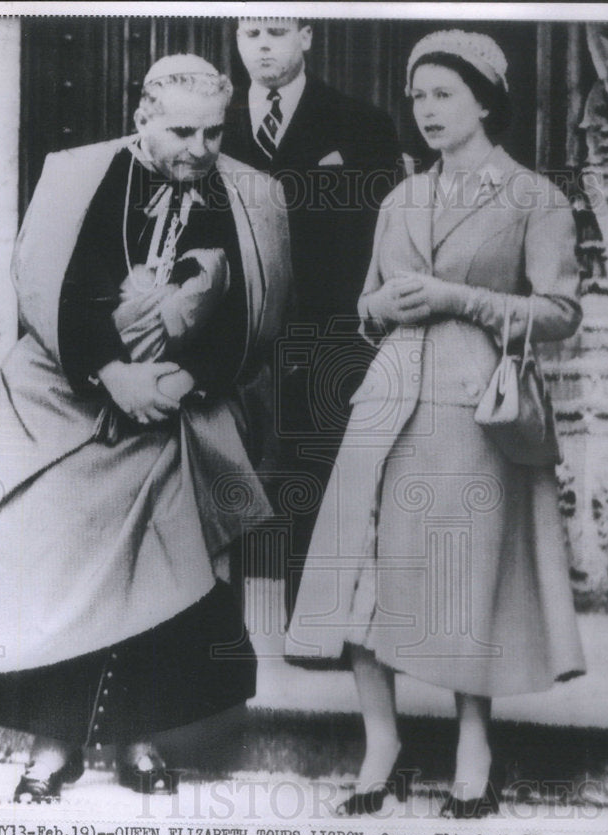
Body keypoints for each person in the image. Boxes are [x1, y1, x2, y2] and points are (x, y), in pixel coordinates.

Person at [0, 54, 292, 803]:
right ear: (142, 117)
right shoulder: (77, 174)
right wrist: (109, 373)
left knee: (157, 570)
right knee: (51, 557)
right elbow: (46, 289)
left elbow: (257, 316)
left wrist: (188, 379)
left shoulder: (248, 193)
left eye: (214, 133)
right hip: (69, 400)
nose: (199, 149)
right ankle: (52, 747)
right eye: (182, 131)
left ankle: (136, 740)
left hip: (174, 410)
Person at [286, 31, 586, 818]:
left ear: (485, 100)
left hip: (468, 405)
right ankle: (380, 743)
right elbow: (368, 303)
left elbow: (559, 312)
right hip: (386, 402)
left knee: (462, 576)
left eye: (443, 94)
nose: (425, 110)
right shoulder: (399, 197)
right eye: (416, 97)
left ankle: (471, 748)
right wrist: (372, 309)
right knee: (360, 571)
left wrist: (463, 301)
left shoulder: (532, 197)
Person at [222, 18, 400, 615]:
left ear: (306, 34)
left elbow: (386, 234)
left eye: (276, 30)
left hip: (329, 332)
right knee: (222, 463)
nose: (263, 45)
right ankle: (222, 632)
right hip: (230, 328)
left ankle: (311, 623)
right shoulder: (210, 122)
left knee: (318, 469)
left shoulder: (361, 124)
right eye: (250, 33)